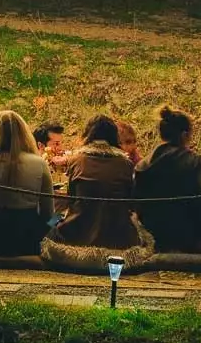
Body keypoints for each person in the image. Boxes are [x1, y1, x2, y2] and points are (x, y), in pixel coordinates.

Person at [42, 114, 147, 270]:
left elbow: (72, 201)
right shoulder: (125, 164)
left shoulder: (77, 161)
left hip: (77, 239)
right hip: (119, 240)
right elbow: (130, 203)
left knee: (51, 219)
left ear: (87, 135)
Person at [133, 106, 201, 254]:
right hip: (191, 239)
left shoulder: (142, 166)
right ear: (185, 135)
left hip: (153, 238)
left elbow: (136, 204)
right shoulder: (197, 163)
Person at [0, 111, 52, 256]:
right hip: (29, 239)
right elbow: (48, 214)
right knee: (58, 219)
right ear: (24, 132)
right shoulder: (39, 164)